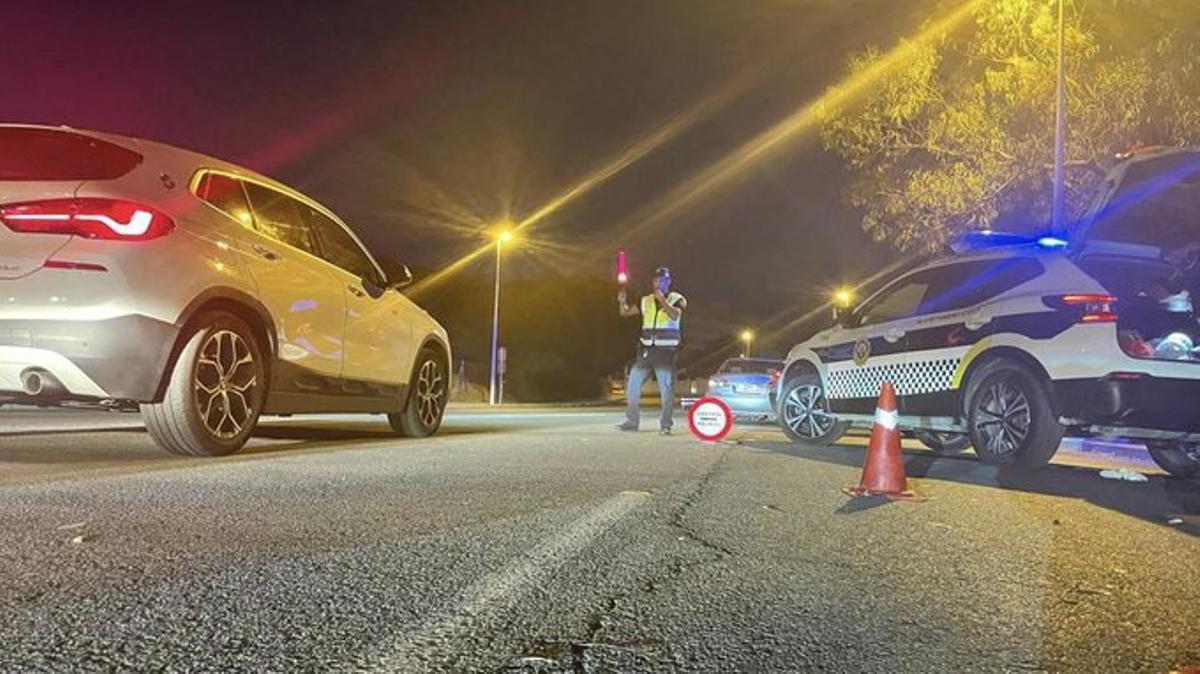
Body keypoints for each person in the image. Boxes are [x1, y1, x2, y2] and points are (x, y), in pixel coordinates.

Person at [617, 266, 687, 434]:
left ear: (668, 281)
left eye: (662, 280)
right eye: (655, 280)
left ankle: (665, 425)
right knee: (633, 384)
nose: (658, 283)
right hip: (647, 350)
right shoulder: (646, 300)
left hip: (666, 351)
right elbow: (625, 313)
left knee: (666, 389)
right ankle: (632, 421)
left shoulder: (677, 298)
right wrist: (622, 302)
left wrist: (662, 299)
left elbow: (675, 315)